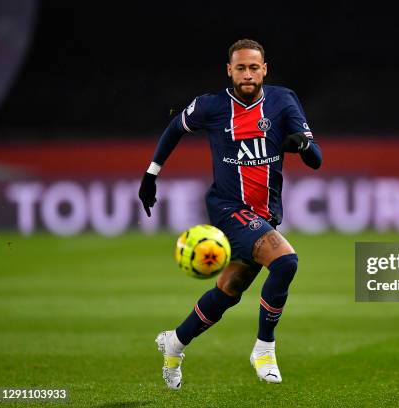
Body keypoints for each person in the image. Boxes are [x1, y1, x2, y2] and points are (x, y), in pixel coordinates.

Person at [138, 39, 322, 389]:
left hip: (265, 214)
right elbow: (175, 127)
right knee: (286, 262)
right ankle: (264, 349)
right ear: (230, 70)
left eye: (254, 67)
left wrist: (301, 145)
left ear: (264, 69)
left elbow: (316, 159)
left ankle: (174, 342)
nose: (248, 74)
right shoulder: (212, 106)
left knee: (228, 292)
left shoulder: (283, 100)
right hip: (227, 209)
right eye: (241, 68)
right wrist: (151, 174)